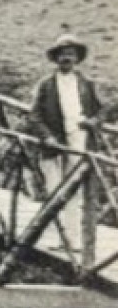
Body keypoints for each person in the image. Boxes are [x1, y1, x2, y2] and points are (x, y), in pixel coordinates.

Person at [27, 34, 110, 257]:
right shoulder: (45, 85)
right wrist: (47, 137)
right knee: (55, 191)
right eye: (63, 54)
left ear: (77, 58)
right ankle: (57, 238)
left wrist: (92, 122)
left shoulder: (86, 84)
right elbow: (33, 115)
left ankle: (73, 239)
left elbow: (103, 110)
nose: (67, 58)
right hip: (53, 145)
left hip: (79, 141)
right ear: (56, 59)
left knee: (74, 190)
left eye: (71, 54)